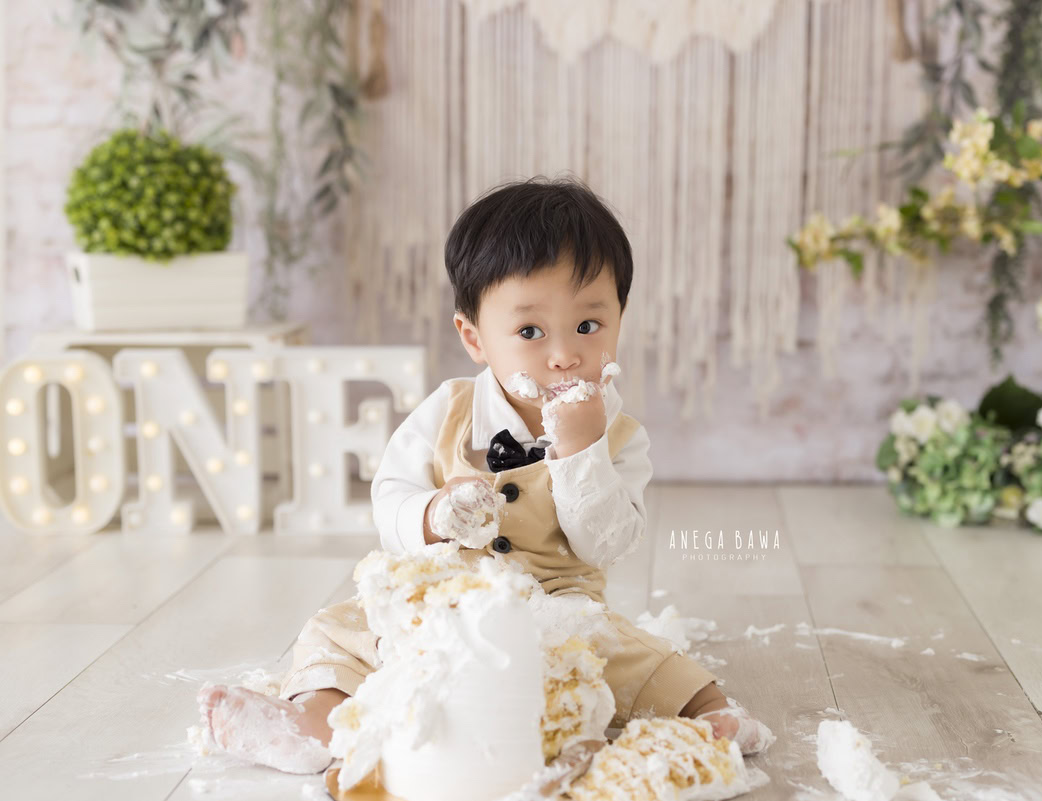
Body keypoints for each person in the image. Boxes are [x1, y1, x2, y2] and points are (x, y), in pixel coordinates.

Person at [195, 176, 775, 775]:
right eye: (529, 332)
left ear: (619, 320)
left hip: (555, 609)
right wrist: (431, 514)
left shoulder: (622, 437)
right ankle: (315, 724)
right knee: (338, 629)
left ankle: (707, 713)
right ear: (474, 337)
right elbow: (389, 496)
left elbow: (609, 542)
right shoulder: (446, 412)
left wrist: (580, 453)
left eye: (588, 326)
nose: (562, 354)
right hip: (440, 597)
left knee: (626, 653)